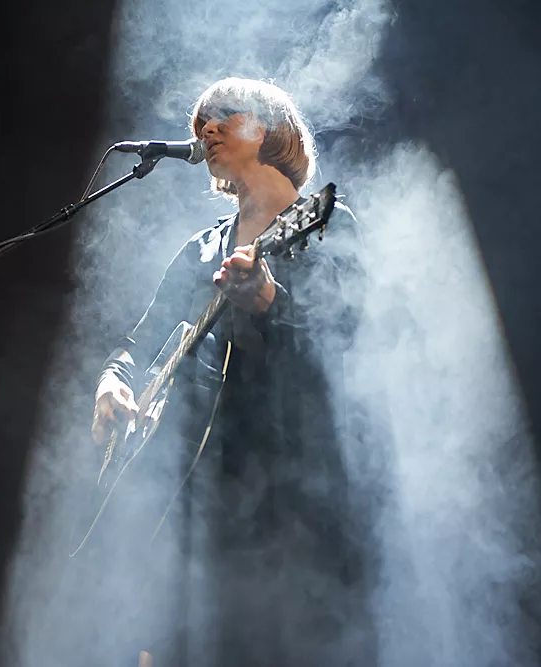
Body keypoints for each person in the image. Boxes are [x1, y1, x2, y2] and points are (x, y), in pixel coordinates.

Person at [89, 78, 371, 666]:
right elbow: (136, 346)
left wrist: (273, 304)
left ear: (266, 128)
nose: (205, 129)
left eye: (222, 116)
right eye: (199, 124)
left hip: (286, 497)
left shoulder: (324, 223)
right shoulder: (200, 248)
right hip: (191, 499)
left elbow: (348, 350)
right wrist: (112, 380)